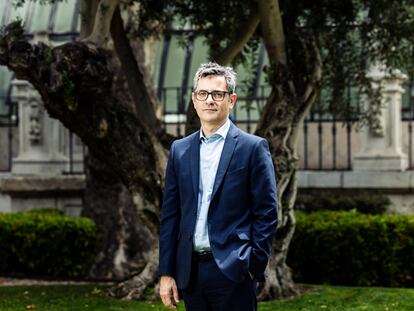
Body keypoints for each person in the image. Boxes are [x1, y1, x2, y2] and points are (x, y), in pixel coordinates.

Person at [159, 62, 278, 311]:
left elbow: (267, 213)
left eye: (218, 94)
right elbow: (171, 215)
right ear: (194, 100)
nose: (209, 100)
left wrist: (252, 265)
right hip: (190, 274)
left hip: (234, 272)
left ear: (231, 100)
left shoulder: (252, 148)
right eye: (203, 93)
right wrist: (167, 272)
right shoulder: (180, 150)